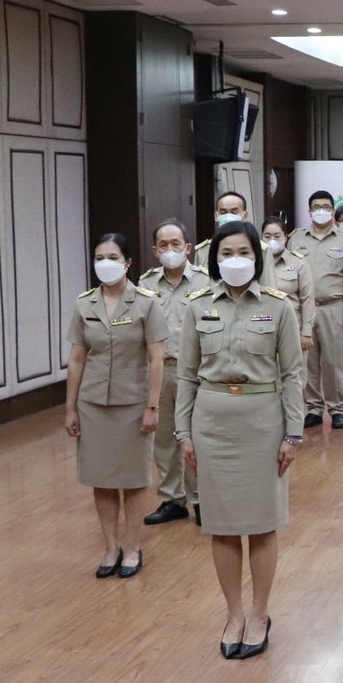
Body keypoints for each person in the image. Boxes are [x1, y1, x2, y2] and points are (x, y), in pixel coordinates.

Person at [176, 221, 304, 660]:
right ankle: (233, 613)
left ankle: (260, 613)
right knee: (223, 525)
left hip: (263, 423)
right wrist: (183, 433)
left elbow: (292, 374)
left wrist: (293, 432)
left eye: (244, 252)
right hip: (211, 424)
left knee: (262, 523)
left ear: (257, 257)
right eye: (227, 252)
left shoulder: (279, 307)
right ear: (215, 259)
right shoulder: (197, 307)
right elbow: (186, 375)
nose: (236, 260)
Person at [65, 234, 167, 578]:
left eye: (112, 256)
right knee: (102, 478)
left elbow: (156, 359)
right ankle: (110, 547)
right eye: (99, 257)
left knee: (134, 478)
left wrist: (152, 406)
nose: (104, 263)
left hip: (133, 402)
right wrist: (70, 408)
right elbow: (77, 359)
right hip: (93, 403)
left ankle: (133, 546)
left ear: (127, 263)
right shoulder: (84, 304)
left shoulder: (146, 303)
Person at [139, 220, 210, 526]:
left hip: (195, 371)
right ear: (155, 250)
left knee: (195, 438)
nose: (170, 250)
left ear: (188, 247)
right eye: (163, 246)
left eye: (176, 244)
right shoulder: (146, 284)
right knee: (164, 439)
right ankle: (172, 499)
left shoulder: (206, 282)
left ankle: (201, 500)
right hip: (159, 371)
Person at [286, 191, 343, 429]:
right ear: (309, 211)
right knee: (307, 361)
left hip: (333, 308)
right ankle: (314, 408)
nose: (321, 210)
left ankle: (337, 408)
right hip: (302, 310)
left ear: (332, 211)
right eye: (316, 206)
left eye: (326, 207)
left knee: (333, 362)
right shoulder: (296, 239)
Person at [258, 217, 315, 354]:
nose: (272, 240)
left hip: (293, 325)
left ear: (286, 236)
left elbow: (307, 299)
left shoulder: (298, 262)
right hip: (260, 325)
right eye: (267, 236)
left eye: (277, 236)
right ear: (261, 238)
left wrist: (306, 332)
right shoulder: (254, 262)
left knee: (294, 371)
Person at [193, 191, 251, 265]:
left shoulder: (258, 249)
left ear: (245, 215)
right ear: (216, 216)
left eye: (234, 213)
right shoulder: (203, 251)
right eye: (223, 213)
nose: (228, 217)